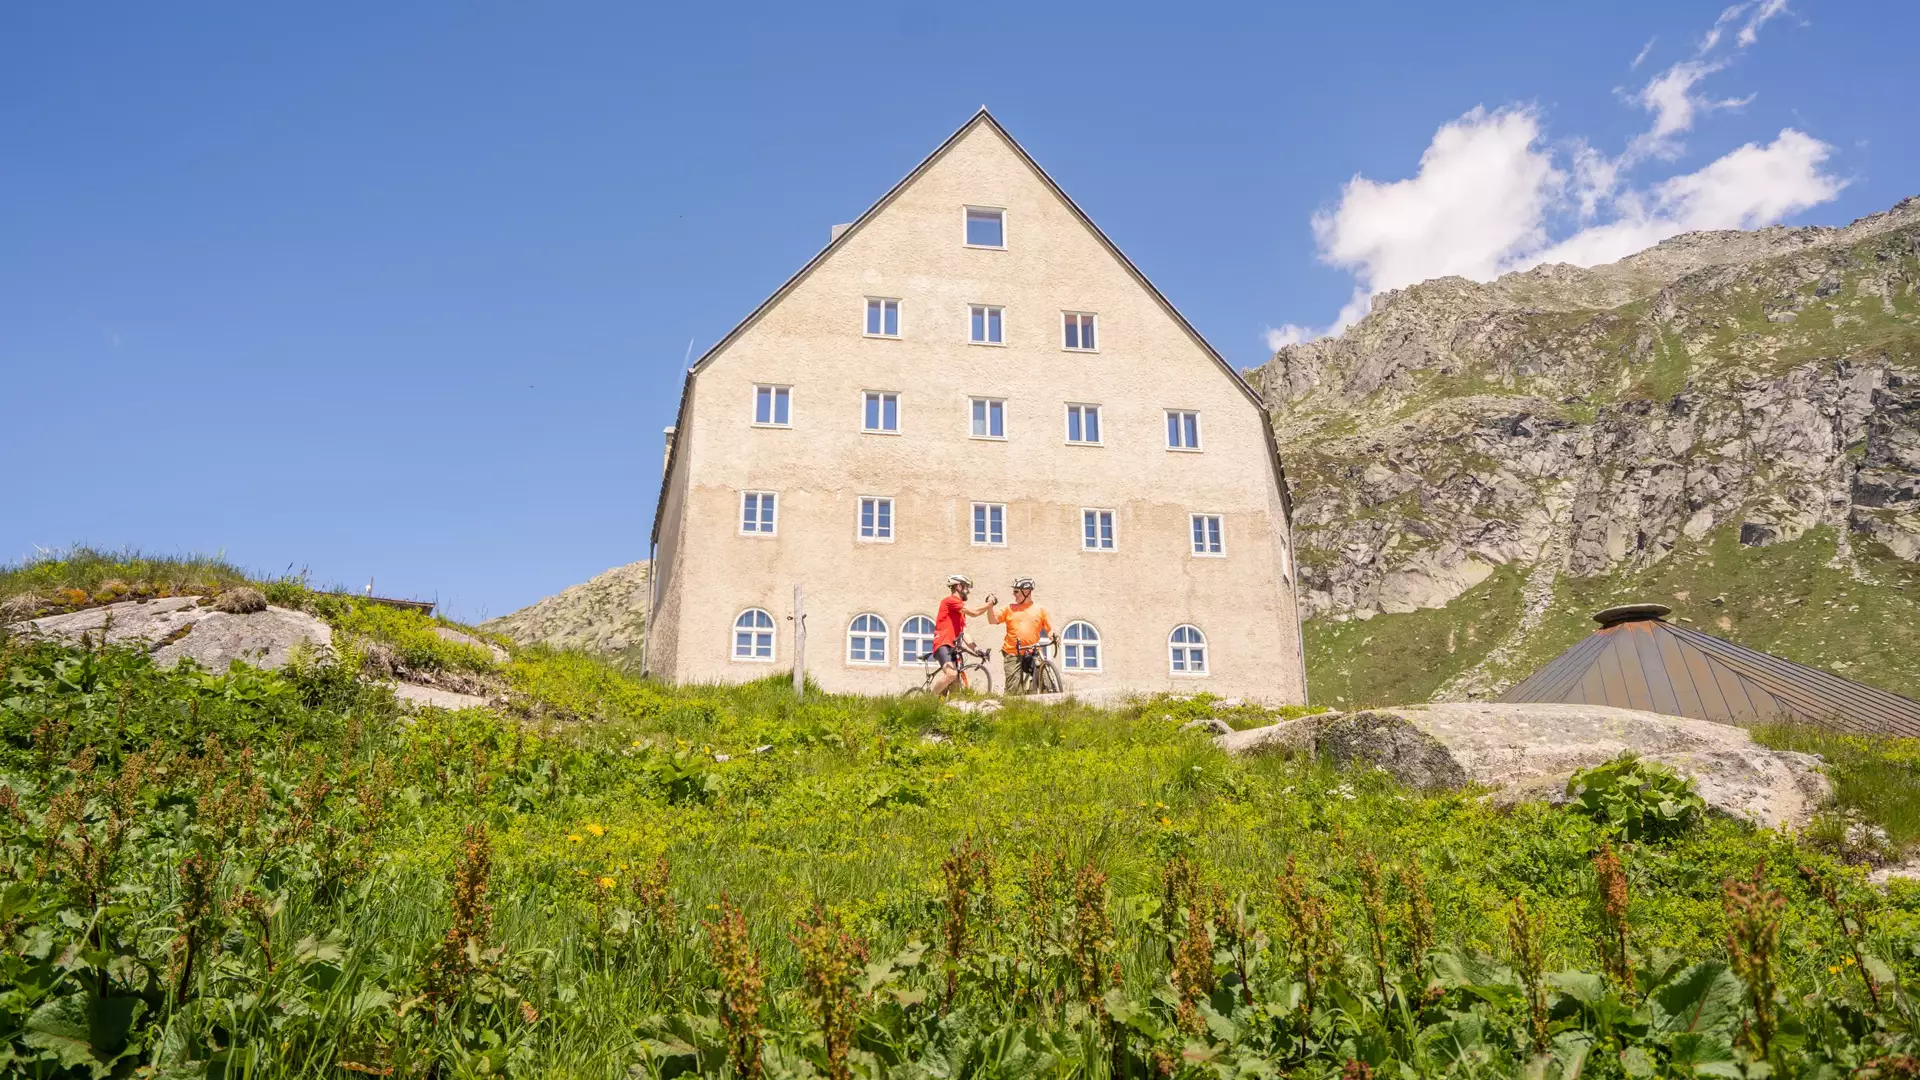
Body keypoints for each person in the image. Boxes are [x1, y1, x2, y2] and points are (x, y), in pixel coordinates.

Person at [928, 574, 995, 697]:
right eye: (967, 588)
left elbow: (964, 633)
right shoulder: (950, 601)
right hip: (943, 644)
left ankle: (945, 706)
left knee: (956, 690)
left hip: (953, 647)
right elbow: (974, 612)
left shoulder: (960, 612)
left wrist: (976, 649)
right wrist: (989, 604)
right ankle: (929, 700)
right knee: (951, 674)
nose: (968, 591)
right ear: (958, 587)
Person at [988, 576, 1052, 695]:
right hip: (1012, 652)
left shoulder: (1039, 609)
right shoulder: (1009, 608)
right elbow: (993, 620)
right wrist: (989, 607)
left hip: (1033, 651)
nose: (1014, 594)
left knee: (1045, 680)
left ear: (1027, 592)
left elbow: (1050, 630)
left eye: (1016, 591)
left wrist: (1054, 636)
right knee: (1013, 690)